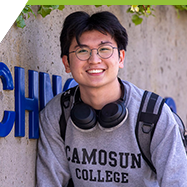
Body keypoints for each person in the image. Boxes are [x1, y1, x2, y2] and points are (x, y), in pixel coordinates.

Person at [36, 11, 187, 187]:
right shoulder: (57, 114)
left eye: (104, 49)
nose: (94, 60)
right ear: (67, 63)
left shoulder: (153, 114)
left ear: (121, 57)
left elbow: (177, 182)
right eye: (82, 51)